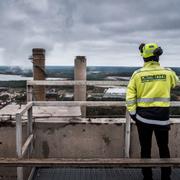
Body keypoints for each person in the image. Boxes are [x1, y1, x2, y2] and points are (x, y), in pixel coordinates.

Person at [126, 43, 179, 180]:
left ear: (143, 57)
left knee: (145, 149)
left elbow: (130, 97)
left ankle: (147, 177)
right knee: (163, 148)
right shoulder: (168, 73)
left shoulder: (137, 74)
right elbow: (176, 83)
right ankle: (166, 177)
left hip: (143, 119)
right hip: (162, 118)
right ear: (158, 56)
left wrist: (133, 114)